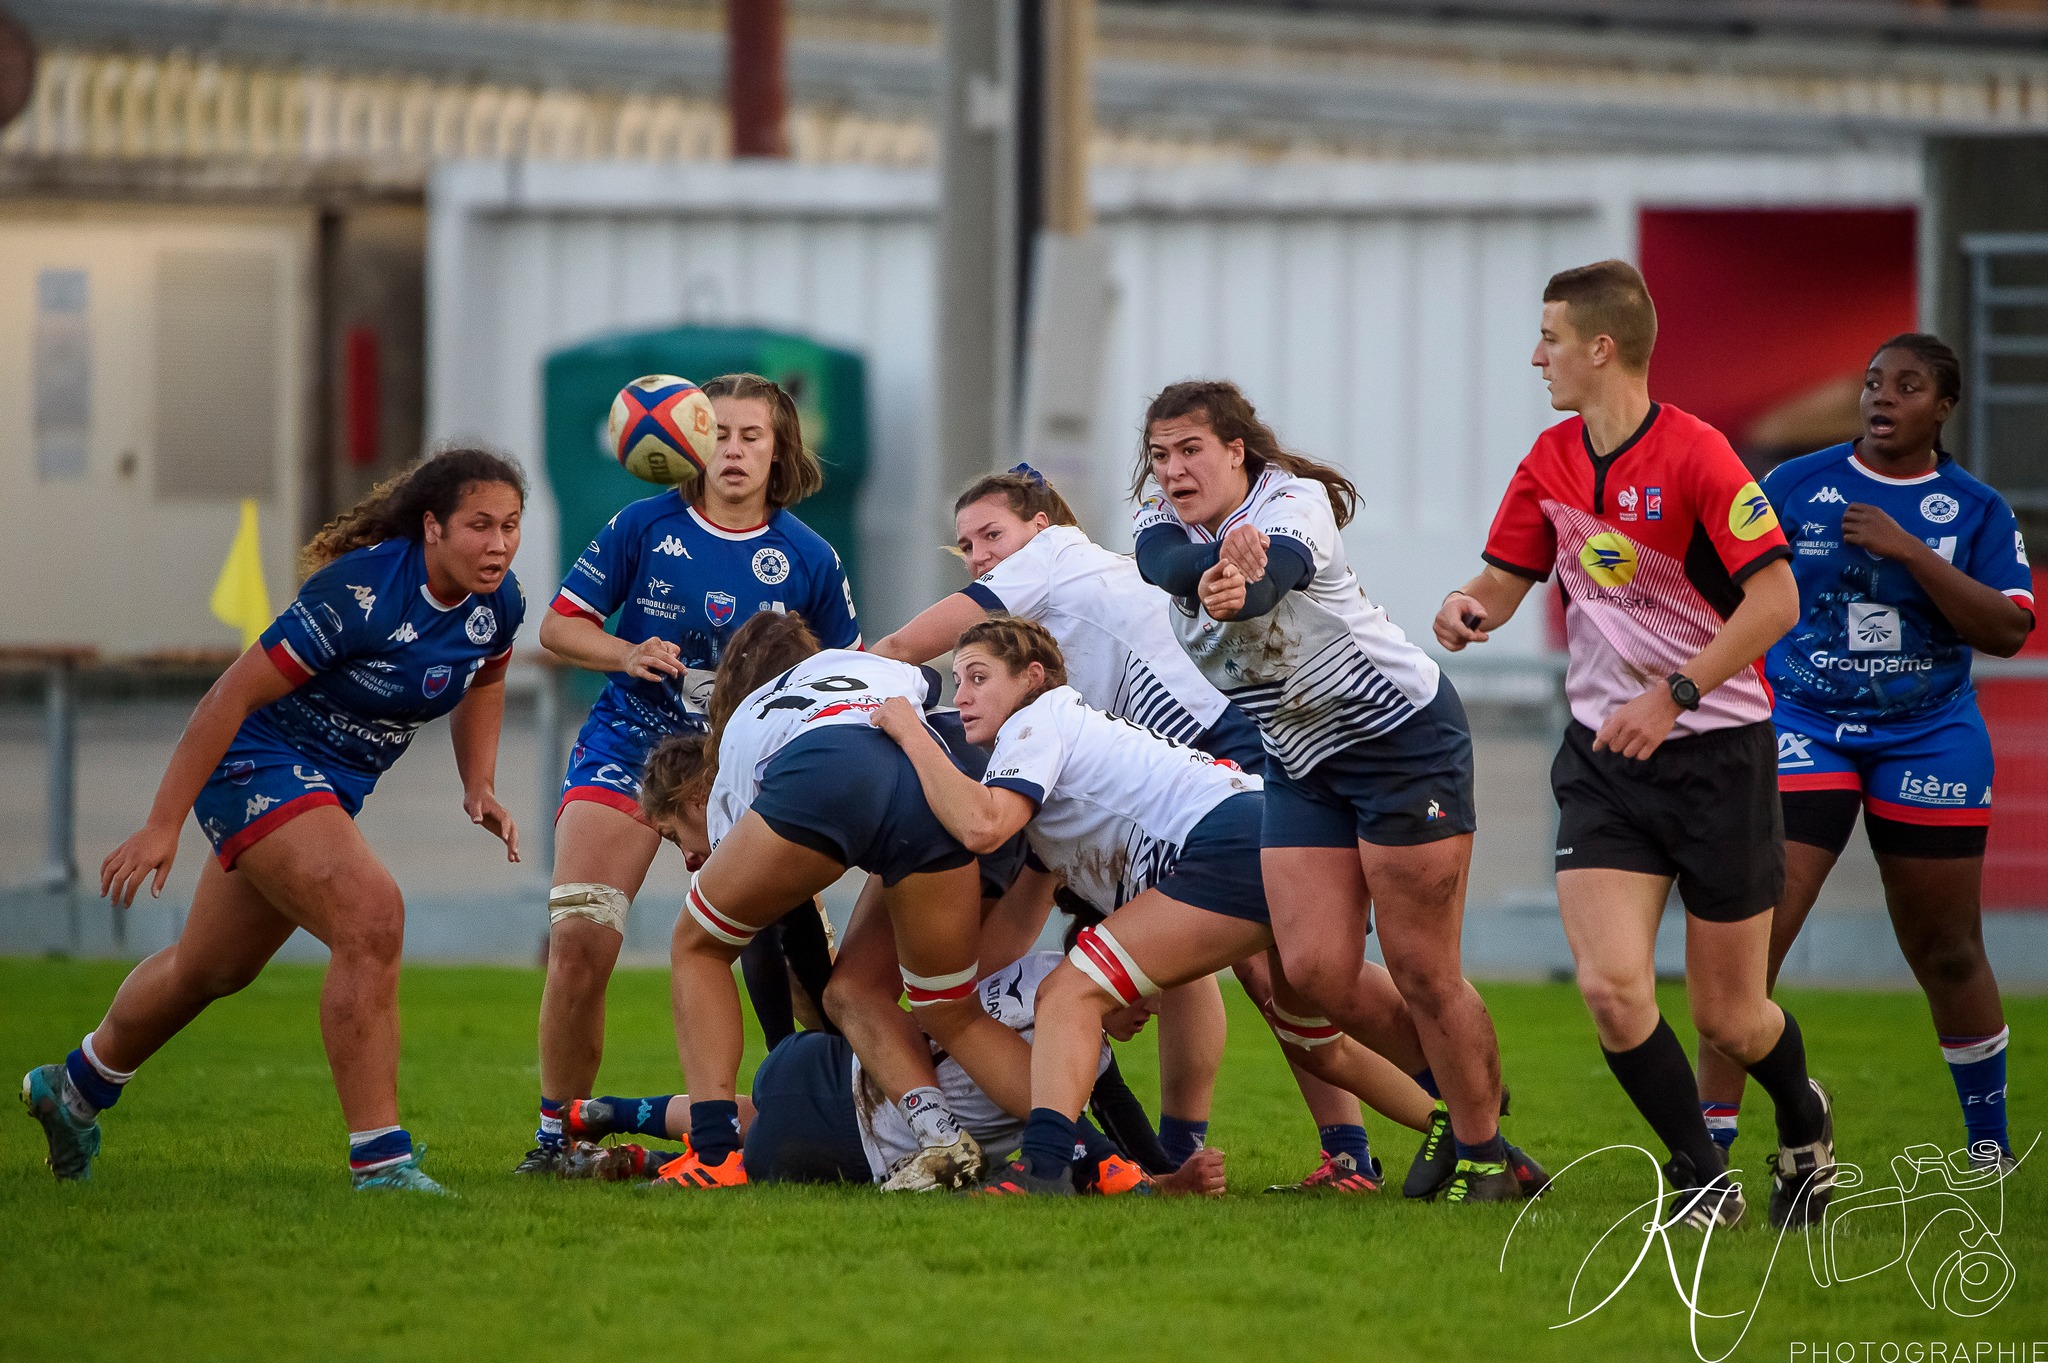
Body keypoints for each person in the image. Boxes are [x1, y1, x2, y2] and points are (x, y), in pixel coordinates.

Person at [868, 618, 1546, 1198]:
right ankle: (1484, 1136)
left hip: (1227, 839)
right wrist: (947, 1008)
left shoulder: (1038, 720)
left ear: (1034, 676)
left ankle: (1041, 1168)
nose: (962, 694)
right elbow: (1012, 925)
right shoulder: (1048, 769)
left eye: (979, 676)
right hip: (1257, 828)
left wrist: (908, 729)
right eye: (956, 681)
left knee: (1069, 993)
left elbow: (982, 826)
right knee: (1317, 1037)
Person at [1434, 259, 1836, 1231]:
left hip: (1718, 756)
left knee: (1729, 1017)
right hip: (1604, 758)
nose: (1536, 357)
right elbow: (1501, 579)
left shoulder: (1698, 456)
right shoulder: (1547, 460)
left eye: (1549, 339)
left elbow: (1776, 599)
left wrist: (1676, 691)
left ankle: (1800, 1115)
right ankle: (1701, 1177)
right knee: (1612, 989)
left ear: (1599, 347)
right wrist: (1466, 608)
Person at [23, 450, 528, 1193]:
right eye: (479, 525)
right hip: (255, 759)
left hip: (327, 789)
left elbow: (488, 670)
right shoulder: (360, 594)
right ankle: (382, 1162)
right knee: (371, 915)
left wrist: (477, 781)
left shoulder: (498, 602)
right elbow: (225, 700)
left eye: (511, 526)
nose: (498, 544)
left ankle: (71, 1091)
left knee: (209, 970)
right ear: (432, 527)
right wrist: (162, 824)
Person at [871, 465, 1366, 1183]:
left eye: (990, 534)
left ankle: (1372, 1142)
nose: (978, 555)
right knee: (1204, 957)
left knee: (1281, 965)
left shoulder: (1053, 556)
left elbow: (906, 646)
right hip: (1181, 785)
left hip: (1222, 744)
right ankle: (1186, 1150)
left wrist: (833, 688)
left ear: (1041, 528)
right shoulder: (1041, 658)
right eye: (965, 544)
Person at [1132, 380, 1522, 1203]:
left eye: (1191, 449)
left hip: (1398, 743)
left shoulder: (1294, 500)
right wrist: (1210, 571)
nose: (1172, 470)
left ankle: (1489, 1153)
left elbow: (1279, 571)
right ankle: (1465, 1106)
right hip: (1301, 759)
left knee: (1422, 967)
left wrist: (1245, 582)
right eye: (1160, 455)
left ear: (1238, 449)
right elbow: (1160, 562)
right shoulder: (1161, 523)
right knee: (1311, 972)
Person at [1695, 334, 2032, 1172]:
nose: (1883, 397)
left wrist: (1908, 550)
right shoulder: (1795, 485)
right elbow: (1724, 580)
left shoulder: (1976, 508)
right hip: (1805, 722)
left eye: (1908, 386)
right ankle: (1711, 1154)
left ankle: (1989, 1151)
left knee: (1946, 944)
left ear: (1943, 407)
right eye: (1875, 383)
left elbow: (2009, 629)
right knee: (1755, 935)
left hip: (1930, 731)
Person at [521, 372, 858, 1174]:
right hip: (630, 745)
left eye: (753, 436)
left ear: (780, 451)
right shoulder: (641, 526)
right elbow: (560, 625)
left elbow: (842, 671)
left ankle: (822, 1114)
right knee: (580, 937)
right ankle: (555, 1138)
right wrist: (625, 651)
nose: (734, 451)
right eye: (721, 434)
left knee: (785, 955)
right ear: (691, 441)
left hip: (744, 766)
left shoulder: (808, 557)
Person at [638, 612, 1036, 1190]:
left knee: (697, 946)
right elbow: (930, 690)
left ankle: (717, 1154)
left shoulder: (742, 733)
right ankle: (1037, 1143)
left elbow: (771, 932)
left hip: (826, 768)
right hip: (944, 790)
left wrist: (784, 1053)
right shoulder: (862, 663)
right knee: (941, 1006)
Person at [553, 950, 1228, 1198]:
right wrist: (1167, 1184)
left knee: (747, 1118)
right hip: (860, 1126)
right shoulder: (1054, 1014)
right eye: (1146, 993)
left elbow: (1118, 1121)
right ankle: (643, 1162)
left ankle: (603, 1113)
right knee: (755, 1155)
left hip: (826, 1068)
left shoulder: (1054, 989)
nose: (1150, 1010)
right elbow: (1085, 1138)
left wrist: (1167, 1164)